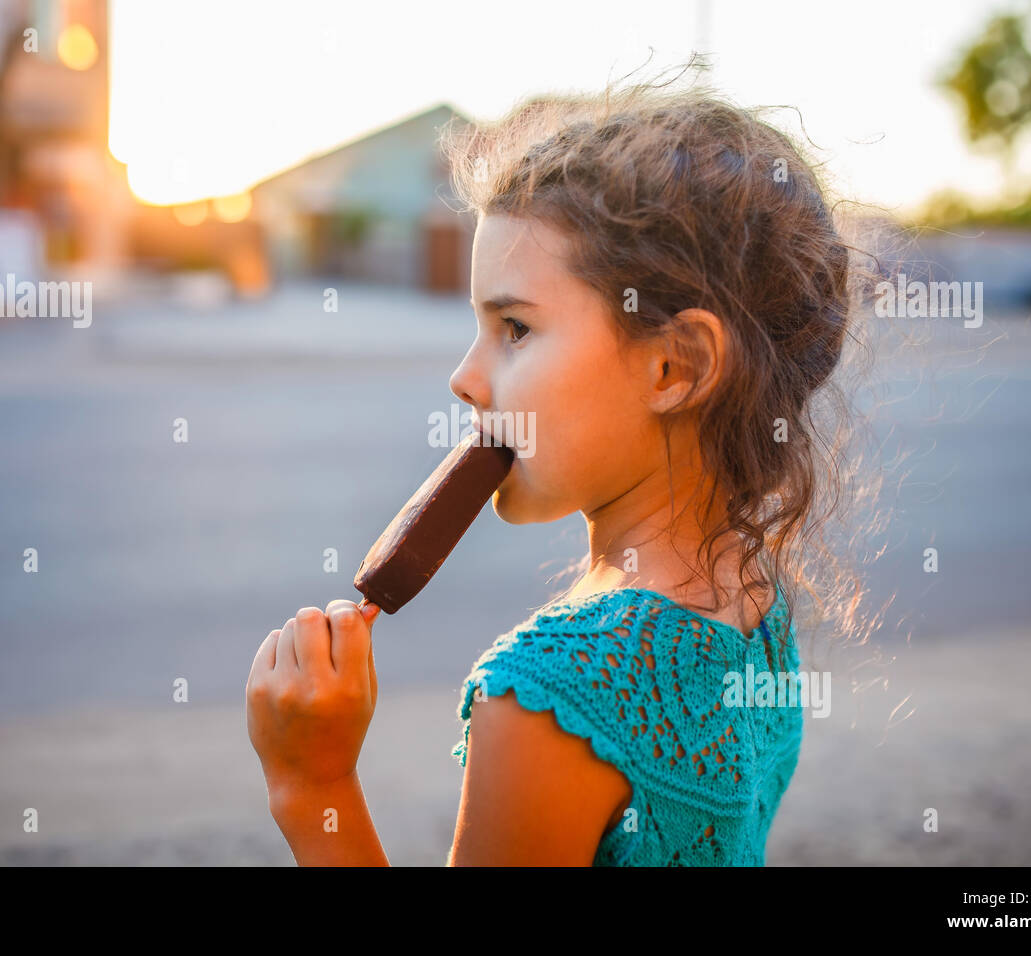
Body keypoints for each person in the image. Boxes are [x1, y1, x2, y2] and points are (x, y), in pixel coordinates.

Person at [246, 56, 872, 866]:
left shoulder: (549, 695)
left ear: (673, 367)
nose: (465, 379)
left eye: (515, 329)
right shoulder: (756, 598)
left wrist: (313, 785)